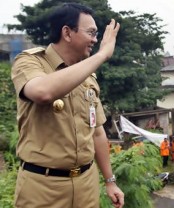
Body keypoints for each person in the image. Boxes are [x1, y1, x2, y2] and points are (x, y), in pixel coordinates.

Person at [11, 3, 124, 208]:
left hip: (86, 184)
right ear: (67, 32)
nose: (95, 40)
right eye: (91, 32)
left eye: (97, 34)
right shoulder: (29, 62)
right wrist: (102, 55)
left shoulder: (88, 76)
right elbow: (42, 92)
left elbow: (97, 132)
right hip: (43, 187)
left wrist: (110, 181)